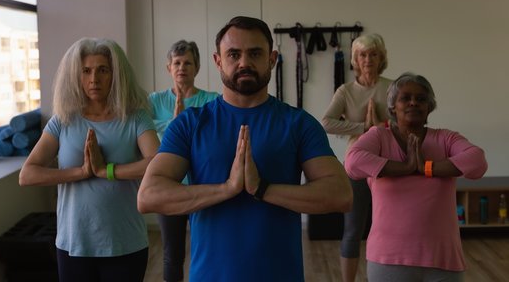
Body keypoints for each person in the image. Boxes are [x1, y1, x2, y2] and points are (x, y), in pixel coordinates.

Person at [137, 16, 353, 282]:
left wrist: (262, 189)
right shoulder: (190, 124)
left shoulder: (298, 123)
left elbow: (341, 194)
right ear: (218, 61)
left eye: (254, 53)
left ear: (272, 59)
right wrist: (227, 188)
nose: (244, 63)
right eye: (233, 54)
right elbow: (148, 196)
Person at [19, 38, 160, 282]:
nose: (94, 78)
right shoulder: (63, 120)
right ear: (77, 75)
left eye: (102, 70)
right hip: (74, 243)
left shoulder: (135, 117)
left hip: (125, 242)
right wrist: (82, 172)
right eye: (86, 71)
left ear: (116, 74)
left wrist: (108, 170)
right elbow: (27, 174)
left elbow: (157, 162)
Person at [345, 72, 488, 282]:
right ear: (392, 106)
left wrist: (427, 168)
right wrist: (406, 167)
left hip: (443, 260)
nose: (414, 102)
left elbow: (477, 163)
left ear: (429, 107)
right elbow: (352, 163)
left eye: (421, 99)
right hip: (388, 259)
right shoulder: (379, 137)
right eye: (406, 98)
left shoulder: (445, 138)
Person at [321, 33, 391, 282]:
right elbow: (326, 122)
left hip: (390, 165)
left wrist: (381, 126)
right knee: (353, 230)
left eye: (373, 54)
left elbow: (405, 123)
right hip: (358, 165)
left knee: (389, 229)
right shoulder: (346, 91)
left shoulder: (392, 87)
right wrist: (363, 128)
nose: (368, 59)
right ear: (355, 59)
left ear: (381, 57)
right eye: (362, 54)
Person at [149, 40, 219, 282]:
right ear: (169, 67)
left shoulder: (212, 100)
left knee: (210, 251)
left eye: (188, 62)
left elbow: (215, 139)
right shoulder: (154, 102)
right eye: (177, 63)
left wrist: (175, 126)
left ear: (197, 67)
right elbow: (148, 140)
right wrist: (177, 123)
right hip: (169, 187)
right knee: (172, 255)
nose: (182, 67)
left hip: (203, 186)